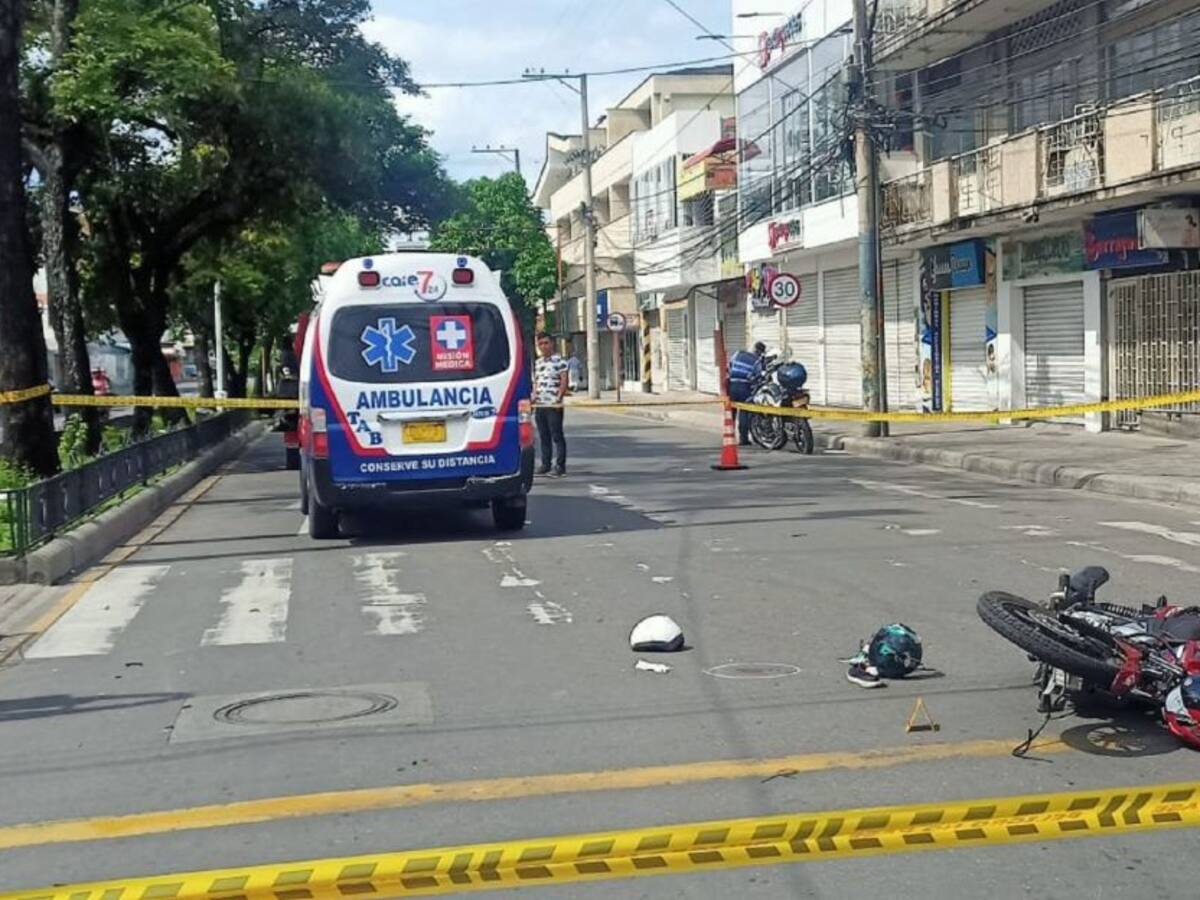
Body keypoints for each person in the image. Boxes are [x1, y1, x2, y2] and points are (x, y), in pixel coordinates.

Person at [533, 331, 569, 477]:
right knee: (543, 436)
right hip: (540, 405)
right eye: (540, 344)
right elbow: (536, 382)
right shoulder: (538, 362)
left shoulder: (560, 361)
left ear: (552, 343)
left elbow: (564, 380)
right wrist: (534, 396)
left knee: (556, 436)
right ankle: (545, 465)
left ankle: (560, 467)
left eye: (546, 343)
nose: (543, 346)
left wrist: (559, 397)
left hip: (553, 405)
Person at [727, 341, 766, 446]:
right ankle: (743, 439)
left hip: (732, 385)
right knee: (744, 412)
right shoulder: (756, 361)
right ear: (761, 352)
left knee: (731, 413)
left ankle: (729, 436)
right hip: (744, 387)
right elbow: (757, 376)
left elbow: (729, 366)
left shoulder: (738, 353)